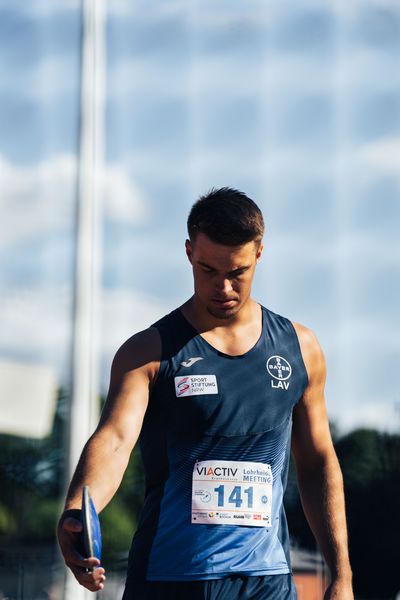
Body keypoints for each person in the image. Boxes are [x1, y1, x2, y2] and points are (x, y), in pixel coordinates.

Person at [57, 188, 353, 599]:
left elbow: (318, 460)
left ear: (259, 254)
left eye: (237, 272)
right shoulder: (148, 353)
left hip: (265, 581)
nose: (223, 287)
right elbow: (114, 441)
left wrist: (342, 575)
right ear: (188, 253)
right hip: (169, 578)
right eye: (208, 270)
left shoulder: (300, 348)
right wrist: (77, 508)